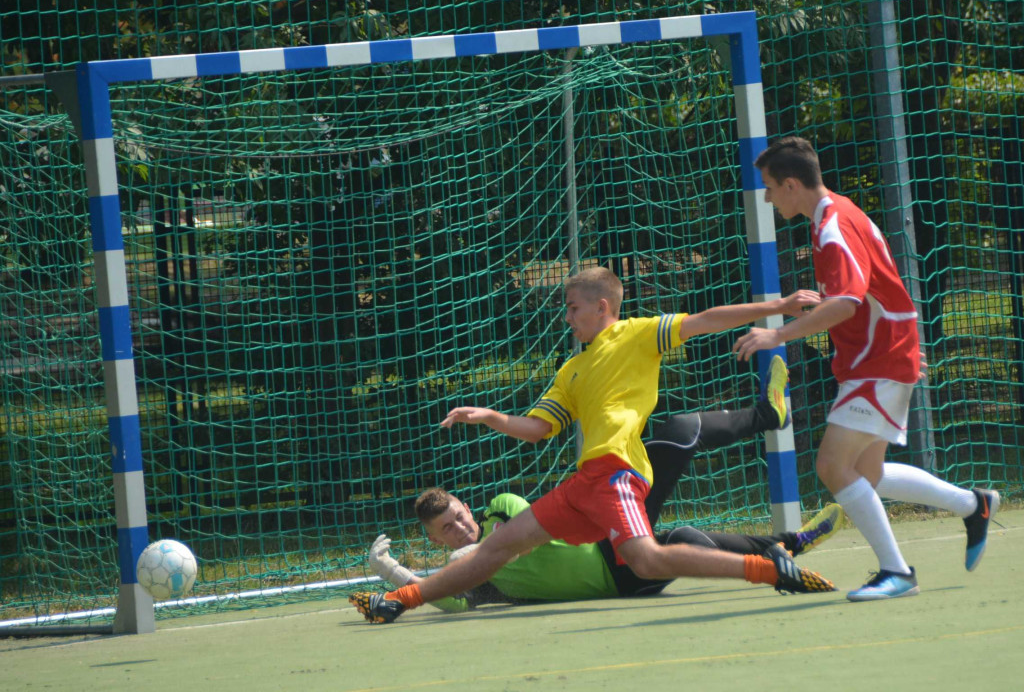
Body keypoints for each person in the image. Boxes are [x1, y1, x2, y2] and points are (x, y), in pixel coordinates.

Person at [349, 266, 836, 624]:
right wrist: (490, 416)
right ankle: (400, 602)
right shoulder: (571, 370)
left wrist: (779, 307)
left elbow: (706, 319)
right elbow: (540, 429)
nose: (567, 318)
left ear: (602, 306)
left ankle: (770, 570)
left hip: (618, 471)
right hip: (584, 483)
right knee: (493, 549)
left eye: (573, 307)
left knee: (646, 558)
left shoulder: (637, 334)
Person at [733, 136, 1000, 601]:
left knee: (833, 465)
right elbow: (854, 296)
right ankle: (971, 504)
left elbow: (847, 303)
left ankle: (897, 573)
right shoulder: (836, 213)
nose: (768, 197)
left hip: (881, 357)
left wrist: (775, 335)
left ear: (792, 185)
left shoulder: (833, 228)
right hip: (880, 354)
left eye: (771, 188)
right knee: (866, 471)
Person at [365, 389, 845, 612]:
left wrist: (470, 553)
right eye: (445, 531)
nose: (458, 529)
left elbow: (508, 541)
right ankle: (783, 550)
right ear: (432, 540)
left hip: (607, 526)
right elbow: (446, 601)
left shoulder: (503, 509)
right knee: (683, 539)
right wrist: (392, 575)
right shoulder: (481, 584)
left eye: (457, 517)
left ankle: (768, 417)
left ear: (469, 508)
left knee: (679, 432)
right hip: (621, 578)